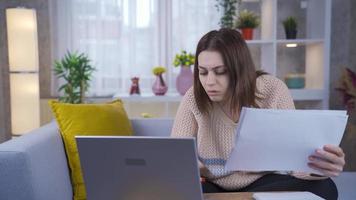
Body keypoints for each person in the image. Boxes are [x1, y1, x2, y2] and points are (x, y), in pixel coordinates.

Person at [171, 28, 345, 200]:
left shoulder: (272, 89)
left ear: (240, 69)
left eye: (220, 71)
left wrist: (320, 168)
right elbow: (176, 154)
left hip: (265, 181)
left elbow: (293, 161)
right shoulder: (194, 97)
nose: (209, 82)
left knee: (325, 187)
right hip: (213, 183)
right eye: (202, 72)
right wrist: (190, 166)